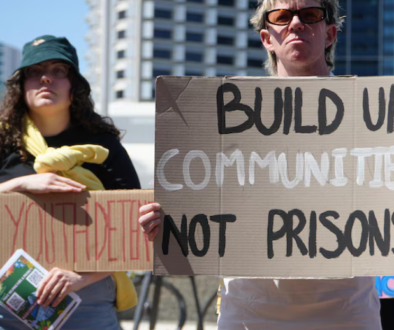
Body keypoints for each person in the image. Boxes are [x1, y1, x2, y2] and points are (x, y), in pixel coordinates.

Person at [139, 0, 383, 329]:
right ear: (267, 38)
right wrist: (165, 221)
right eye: (283, 16)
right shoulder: (223, 117)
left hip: (346, 312)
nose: (296, 24)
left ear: (329, 33)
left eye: (309, 15)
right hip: (250, 313)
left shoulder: (371, 115)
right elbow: (201, 207)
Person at [0, 35, 140, 330]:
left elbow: (133, 225)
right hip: (7, 299)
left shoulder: (103, 146)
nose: (46, 79)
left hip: (86, 298)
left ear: (74, 85)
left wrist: (82, 277)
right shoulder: (2, 142)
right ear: (21, 87)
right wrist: (17, 187)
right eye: (34, 72)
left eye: (57, 71)